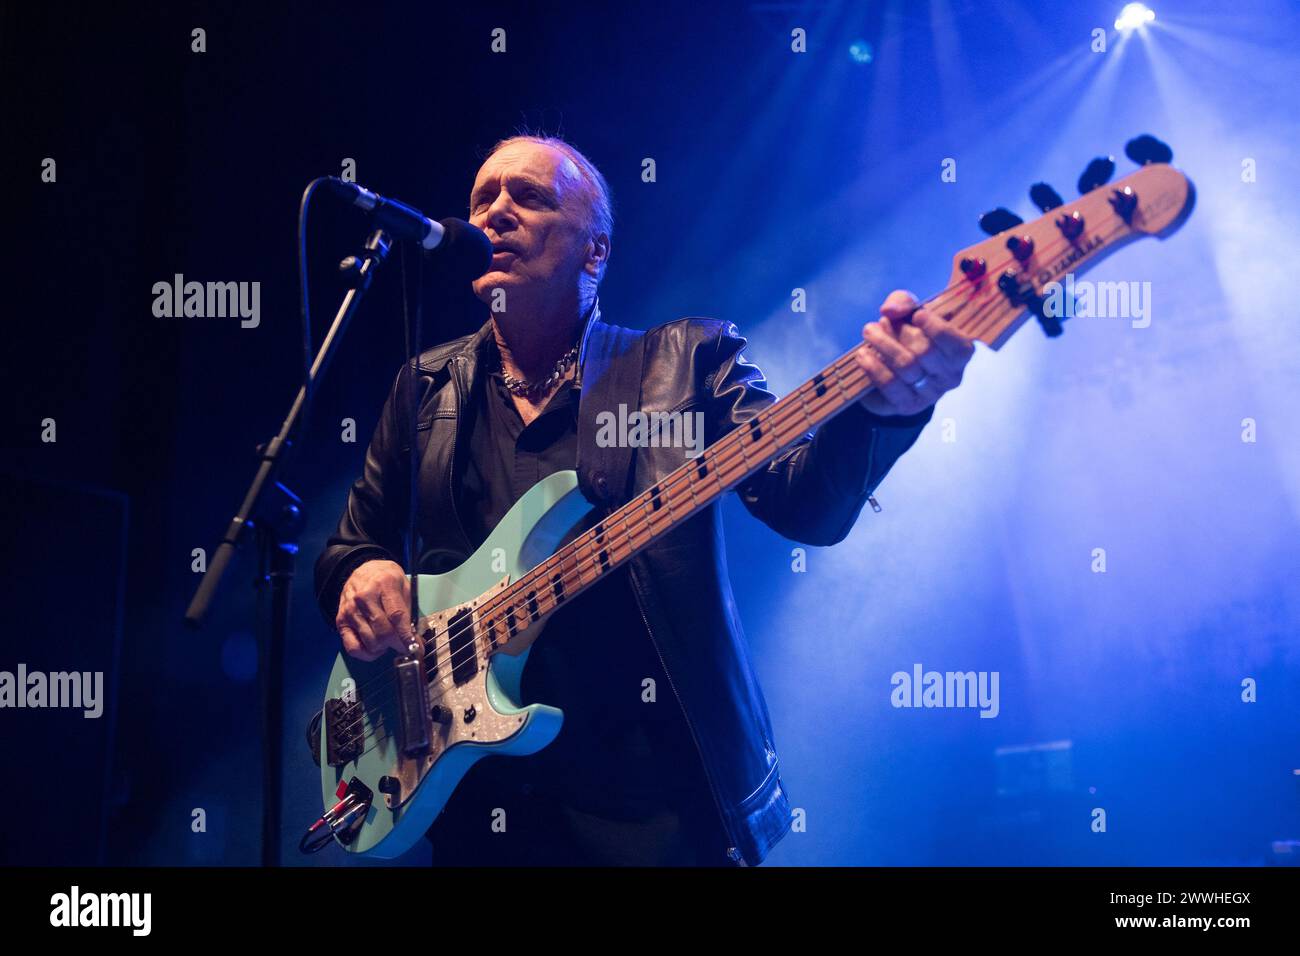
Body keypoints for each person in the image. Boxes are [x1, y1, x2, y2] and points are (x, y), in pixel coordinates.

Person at [314, 134, 974, 866]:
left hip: (655, 813)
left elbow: (806, 501)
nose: (495, 211)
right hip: (481, 812)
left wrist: (882, 410)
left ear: (594, 252)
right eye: (482, 199)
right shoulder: (425, 387)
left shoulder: (684, 364)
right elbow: (349, 546)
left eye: (528, 196)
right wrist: (358, 575)